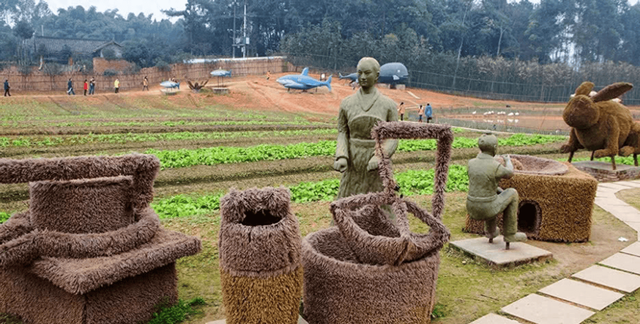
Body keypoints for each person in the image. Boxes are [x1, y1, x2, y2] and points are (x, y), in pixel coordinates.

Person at [334, 57, 399, 204]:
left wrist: (380, 156)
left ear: (377, 75)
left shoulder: (388, 105)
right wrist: (342, 156)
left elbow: (393, 137)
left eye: (367, 73)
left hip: (376, 162)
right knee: (349, 200)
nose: (362, 77)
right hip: (353, 160)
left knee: (378, 202)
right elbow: (343, 132)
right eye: (360, 73)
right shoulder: (347, 103)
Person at [466, 134, 527, 248]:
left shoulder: (471, 163)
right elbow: (510, 172)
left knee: (492, 196)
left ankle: (491, 232)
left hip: (471, 207)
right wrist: (507, 160)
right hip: (487, 208)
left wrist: (500, 191)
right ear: (494, 147)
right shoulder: (495, 166)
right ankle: (510, 234)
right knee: (512, 193)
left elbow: (485, 185)